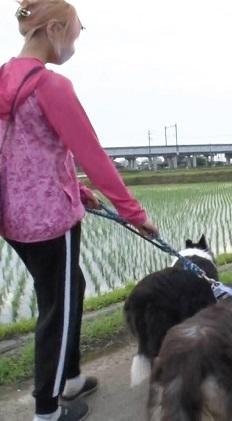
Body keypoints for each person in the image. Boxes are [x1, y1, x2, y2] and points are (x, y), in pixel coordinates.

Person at [0, 2, 158, 420]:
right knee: (59, 309)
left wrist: (78, 190)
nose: (75, 41)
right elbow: (94, 157)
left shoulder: (4, 78)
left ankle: (68, 376)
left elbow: (28, 152)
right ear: (53, 29)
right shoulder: (51, 86)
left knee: (68, 290)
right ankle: (48, 410)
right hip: (50, 220)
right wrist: (134, 213)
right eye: (75, 31)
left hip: (14, 219)